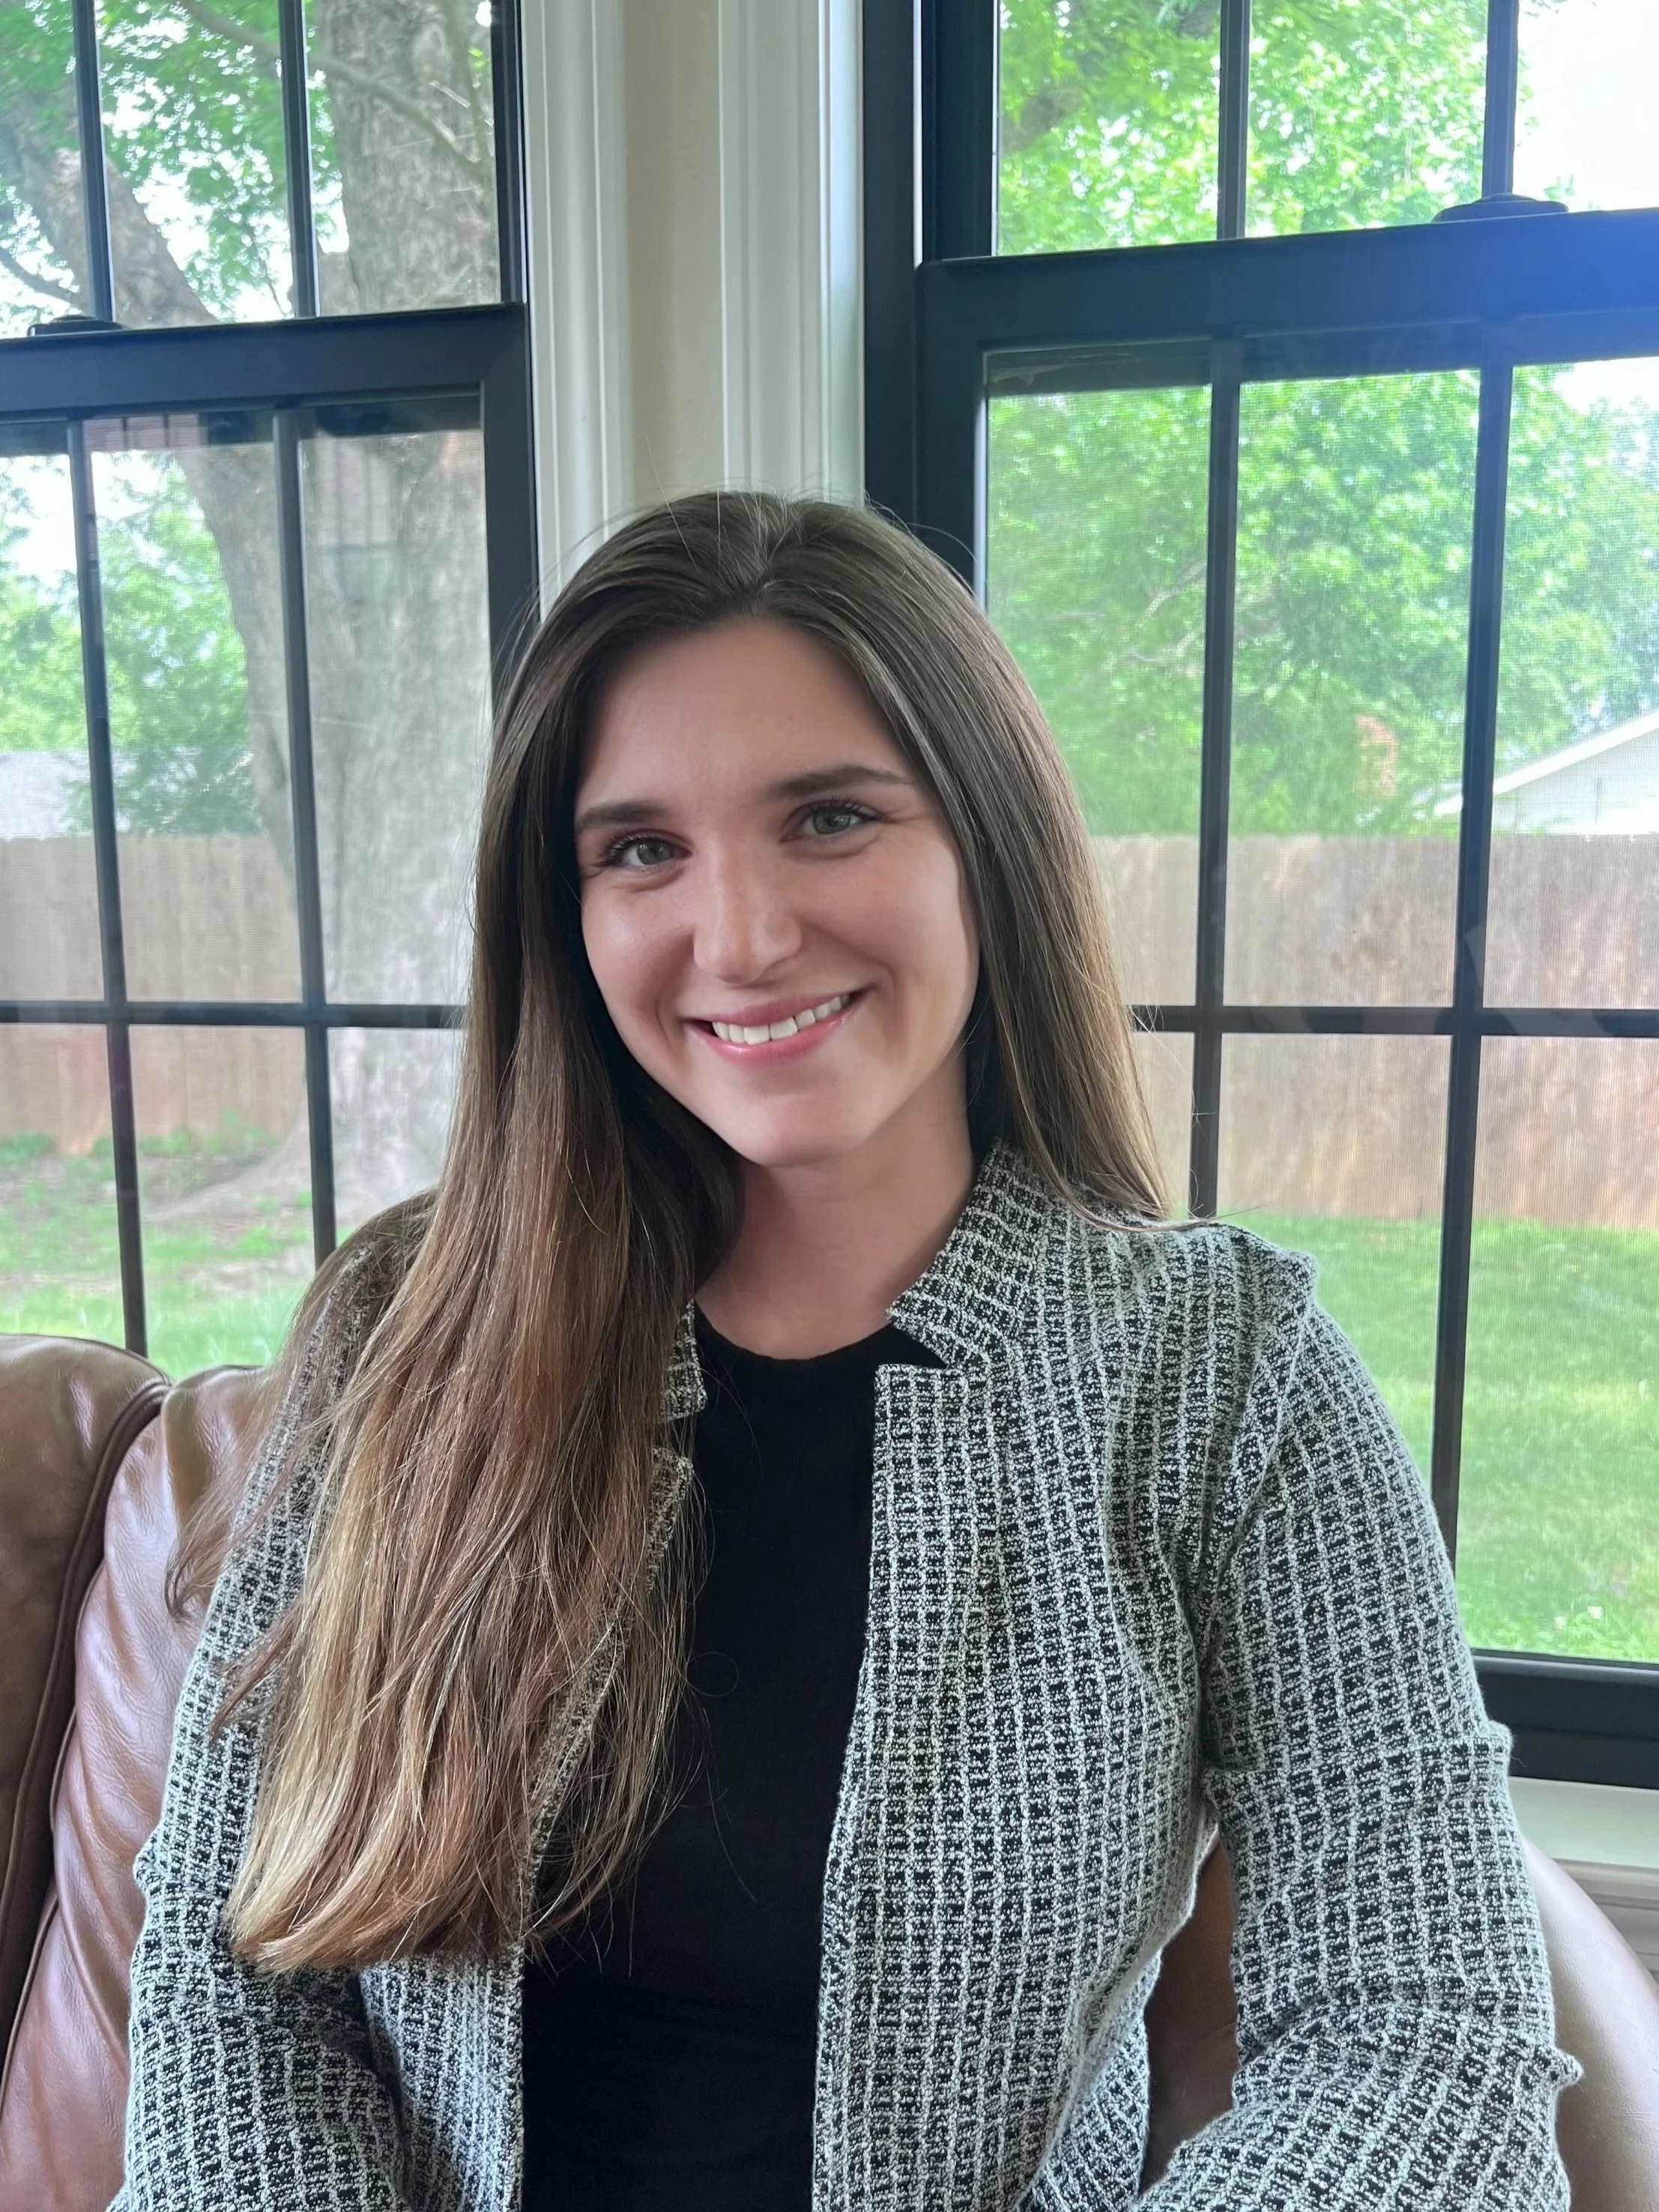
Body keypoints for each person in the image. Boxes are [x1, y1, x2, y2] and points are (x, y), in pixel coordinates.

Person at [117, 492, 1575, 2212]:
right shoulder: (402, 1336)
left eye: (828, 817)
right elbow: (237, 1988)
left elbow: (1427, 2026)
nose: (737, 937)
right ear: (564, 916)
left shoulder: (1222, 1372)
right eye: (639, 849)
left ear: (986, 839)